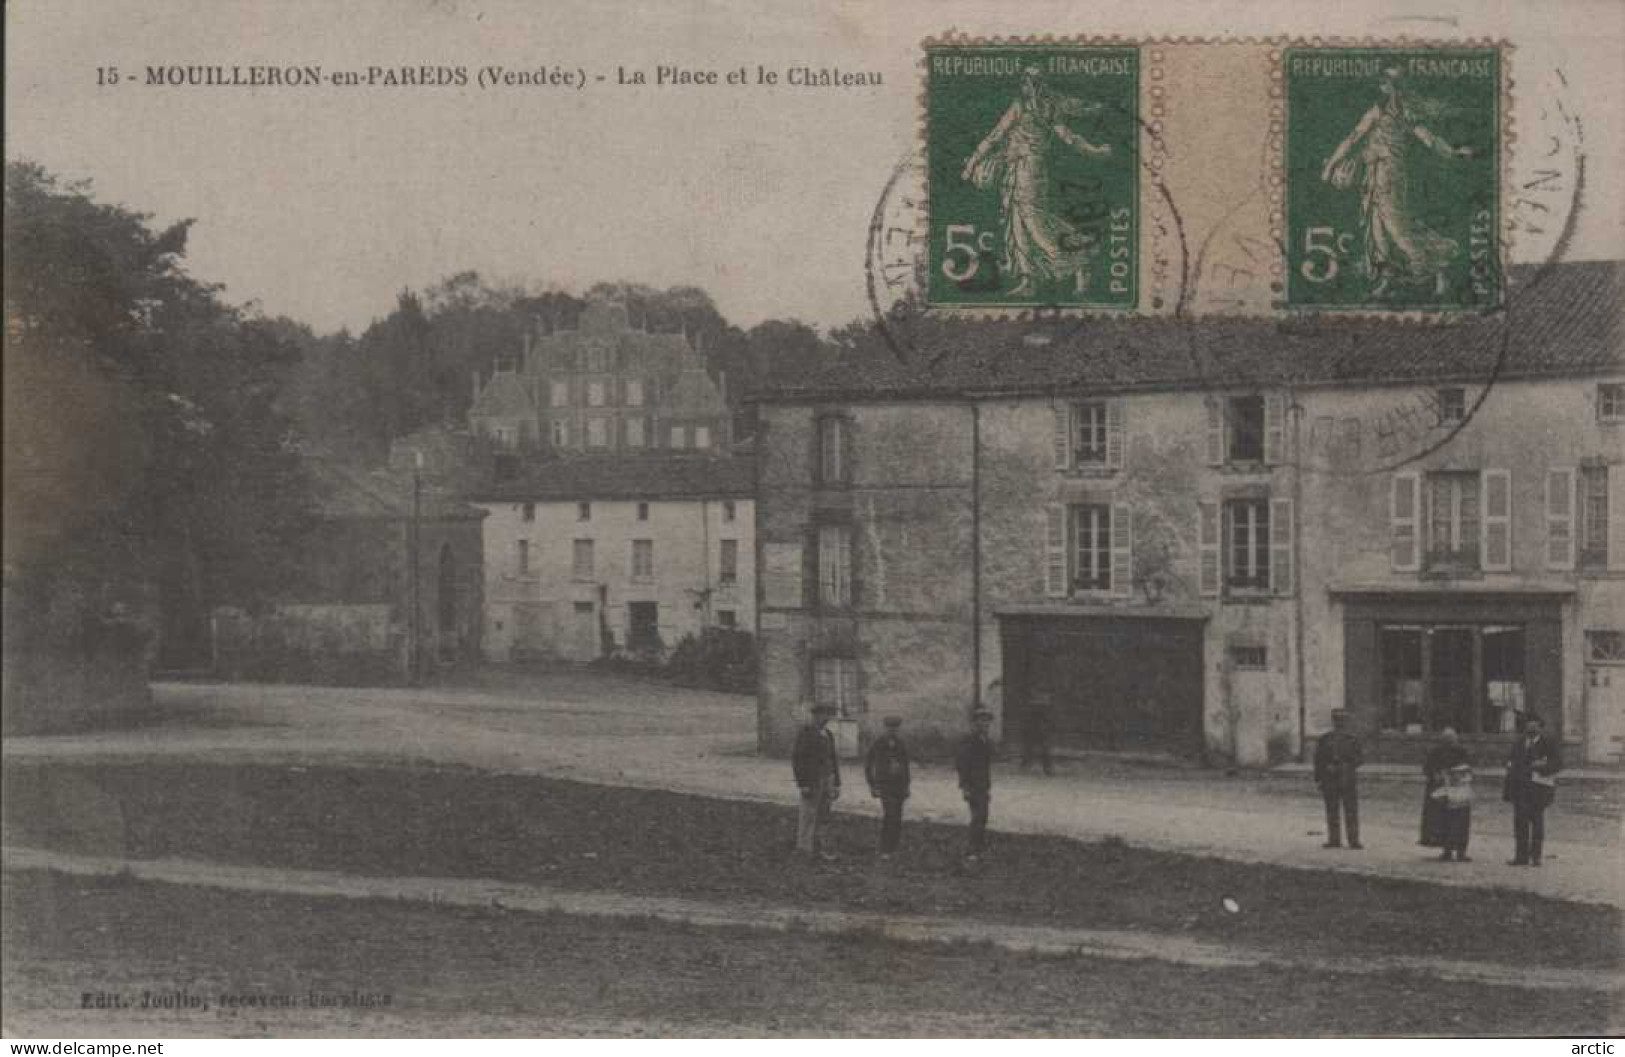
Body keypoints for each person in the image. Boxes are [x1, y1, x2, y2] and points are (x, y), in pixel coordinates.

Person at [1319, 66, 1475, 300]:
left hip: (1390, 174)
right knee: (1376, 229)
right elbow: (1353, 138)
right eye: (1380, 83)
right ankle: (1386, 281)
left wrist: (1453, 153)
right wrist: (1332, 164)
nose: (1380, 87)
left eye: (1385, 83)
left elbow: (1428, 139)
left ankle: (1439, 272)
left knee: (1397, 226)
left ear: (1394, 87)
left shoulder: (1403, 111)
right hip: (1372, 175)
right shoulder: (1378, 110)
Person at [961, 66, 1113, 297]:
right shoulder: (1031, 105)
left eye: (1028, 82)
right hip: (1015, 169)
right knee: (1017, 223)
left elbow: (1067, 137)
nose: (1025, 86)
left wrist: (1096, 152)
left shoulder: (1037, 106)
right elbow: (997, 136)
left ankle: (1080, 259)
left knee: (1035, 222)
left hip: (1029, 169)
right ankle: (1028, 279)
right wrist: (972, 163)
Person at [1502, 714, 1561, 866]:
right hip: (1520, 788)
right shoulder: (1519, 743)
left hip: (1538, 789)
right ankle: (1520, 857)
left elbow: (1558, 764)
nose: (1531, 729)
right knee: (1520, 823)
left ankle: (1536, 856)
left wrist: (1542, 767)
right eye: (1528, 726)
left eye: (1534, 727)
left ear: (1540, 728)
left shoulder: (1548, 743)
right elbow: (1510, 760)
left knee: (1537, 823)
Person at [792, 703, 841, 860]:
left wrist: (837, 783)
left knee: (825, 815)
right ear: (815, 715)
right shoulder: (806, 733)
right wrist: (803, 783)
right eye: (824, 714)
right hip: (812, 780)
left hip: (827, 778)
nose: (827, 718)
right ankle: (804, 849)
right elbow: (798, 759)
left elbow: (833, 759)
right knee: (808, 814)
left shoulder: (828, 734)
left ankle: (823, 848)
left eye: (829, 715)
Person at [1314, 709, 1364, 849]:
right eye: (1337, 720)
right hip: (1330, 780)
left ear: (1346, 722)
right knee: (1331, 810)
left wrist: (1344, 765)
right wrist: (1319, 778)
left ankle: (1353, 840)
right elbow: (1318, 759)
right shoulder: (1325, 739)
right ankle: (1334, 839)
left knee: (1351, 810)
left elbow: (1360, 759)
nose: (1340, 723)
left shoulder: (1352, 739)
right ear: (1333, 722)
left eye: (1342, 720)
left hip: (1347, 779)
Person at [864, 715, 912, 858]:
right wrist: (872, 785)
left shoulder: (900, 744)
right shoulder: (878, 743)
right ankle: (885, 849)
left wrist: (907, 786)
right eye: (890, 728)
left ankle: (893, 848)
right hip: (884, 785)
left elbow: (905, 766)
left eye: (895, 728)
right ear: (885, 728)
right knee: (890, 814)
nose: (892, 731)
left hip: (899, 786)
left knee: (897, 817)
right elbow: (868, 764)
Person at [956, 707, 997, 860]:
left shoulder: (985, 740)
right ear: (975, 723)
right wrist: (965, 786)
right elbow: (962, 764)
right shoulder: (970, 741)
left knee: (982, 817)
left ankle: (978, 848)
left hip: (983, 785)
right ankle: (973, 850)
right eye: (982, 721)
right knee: (978, 817)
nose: (985, 724)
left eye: (987, 721)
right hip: (973, 786)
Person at [1420, 726, 1469, 850]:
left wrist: (1456, 775)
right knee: (1442, 821)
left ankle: (1460, 849)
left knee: (1459, 820)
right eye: (1446, 739)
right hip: (1440, 792)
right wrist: (1435, 774)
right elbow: (1427, 768)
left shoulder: (1461, 752)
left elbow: (1467, 769)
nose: (1449, 742)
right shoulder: (1436, 752)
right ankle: (1445, 848)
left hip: (1457, 791)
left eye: (1451, 739)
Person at [1430, 762, 1474, 862]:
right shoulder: (1460, 769)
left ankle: (1454, 851)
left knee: (1456, 827)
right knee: (1452, 826)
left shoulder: (1457, 770)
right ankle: (1452, 851)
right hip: (1454, 798)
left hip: (1458, 798)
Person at [1021, 691, 1055, 776]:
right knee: (1031, 747)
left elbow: (1048, 718)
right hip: (1034, 728)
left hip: (1040, 728)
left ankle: (1047, 768)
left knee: (1043, 748)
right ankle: (1026, 764)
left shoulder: (1040, 703)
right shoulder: (1038, 703)